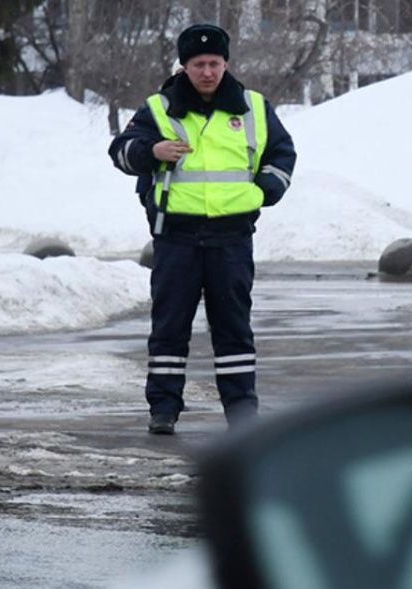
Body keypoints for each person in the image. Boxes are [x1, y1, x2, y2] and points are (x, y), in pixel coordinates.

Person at [107, 23, 297, 435]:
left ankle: (241, 408)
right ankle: (164, 408)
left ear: (226, 63)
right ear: (185, 66)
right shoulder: (159, 108)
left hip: (232, 236)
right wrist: (150, 152)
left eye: (214, 63)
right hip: (176, 236)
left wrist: (266, 190)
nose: (207, 71)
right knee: (169, 325)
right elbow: (120, 152)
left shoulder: (253, 108)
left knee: (233, 327)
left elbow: (282, 154)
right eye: (198, 64)